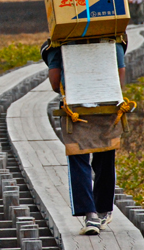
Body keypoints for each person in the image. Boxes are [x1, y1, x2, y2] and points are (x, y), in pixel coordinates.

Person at [41, 39, 127, 235]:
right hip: (107, 110)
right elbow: (120, 78)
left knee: (79, 161)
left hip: (76, 111)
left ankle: (90, 215)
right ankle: (103, 210)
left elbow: (55, 82)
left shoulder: (59, 41)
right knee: (105, 159)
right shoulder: (115, 39)